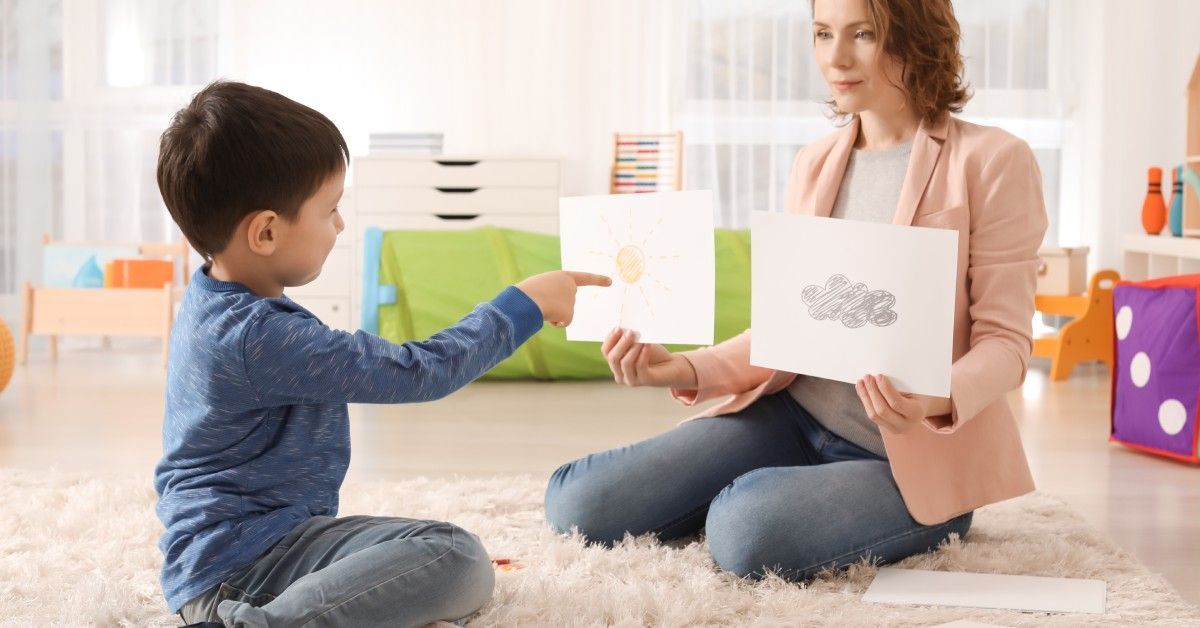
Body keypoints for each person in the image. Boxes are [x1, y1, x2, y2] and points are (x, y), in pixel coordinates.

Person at [544, 0, 1048, 582]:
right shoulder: (815, 162)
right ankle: (774, 493)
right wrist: (678, 369)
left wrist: (932, 398)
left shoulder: (993, 161)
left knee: (742, 528)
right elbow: (787, 330)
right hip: (791, 414)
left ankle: (834, 506)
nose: (835, 57)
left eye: (863, 33)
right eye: (822, 33)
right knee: (579, 502)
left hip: (903, 457)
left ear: (916, 35)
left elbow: (1007, 347)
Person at [153, 80, 609, 627]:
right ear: (267, 232)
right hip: (246, 565)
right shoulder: (258, 337)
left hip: (234, 554)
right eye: (330, 211)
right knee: (454, 556)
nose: (340, 225)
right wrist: (523, 305)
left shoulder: (213, 295)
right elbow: (420, 372)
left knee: (428, 557)